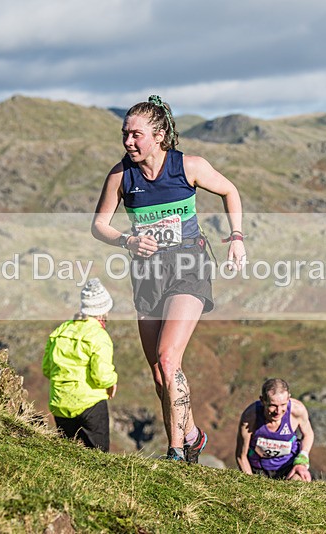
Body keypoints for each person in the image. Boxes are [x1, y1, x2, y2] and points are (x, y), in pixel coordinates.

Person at [91, 95, 245, 462]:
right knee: (160, 375)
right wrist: (127, 240)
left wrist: (236, 237)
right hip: (147, 276)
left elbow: (229, 190)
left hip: (189, 267)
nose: (128, 142)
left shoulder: (188, 166)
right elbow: (99, 225)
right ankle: (192, 435)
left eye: (136, 135)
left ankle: (176, 452)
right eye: (125, 134)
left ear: (159, 136)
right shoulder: (120, 176)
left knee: (168, 357)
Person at [43, 279, 118, 452]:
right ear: (103, 310)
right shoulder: (99, 336)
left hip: (60, 404)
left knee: (68, 453)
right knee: (98, 456)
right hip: (90, 405)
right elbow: (101, 376)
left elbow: (47, 369)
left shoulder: (60, 331)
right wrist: (111, 382)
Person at [236, 378, 314, 481]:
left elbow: (308, 434)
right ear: (262, 401)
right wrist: (250, 482)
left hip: (288, 467)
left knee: (301, 480)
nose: (278, 411)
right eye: (272, 406)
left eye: (283, 405)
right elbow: (241, 456)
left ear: (289, 399)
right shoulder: (250, 417)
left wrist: (302, 460)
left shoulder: (297, 411)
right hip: (258, 470)